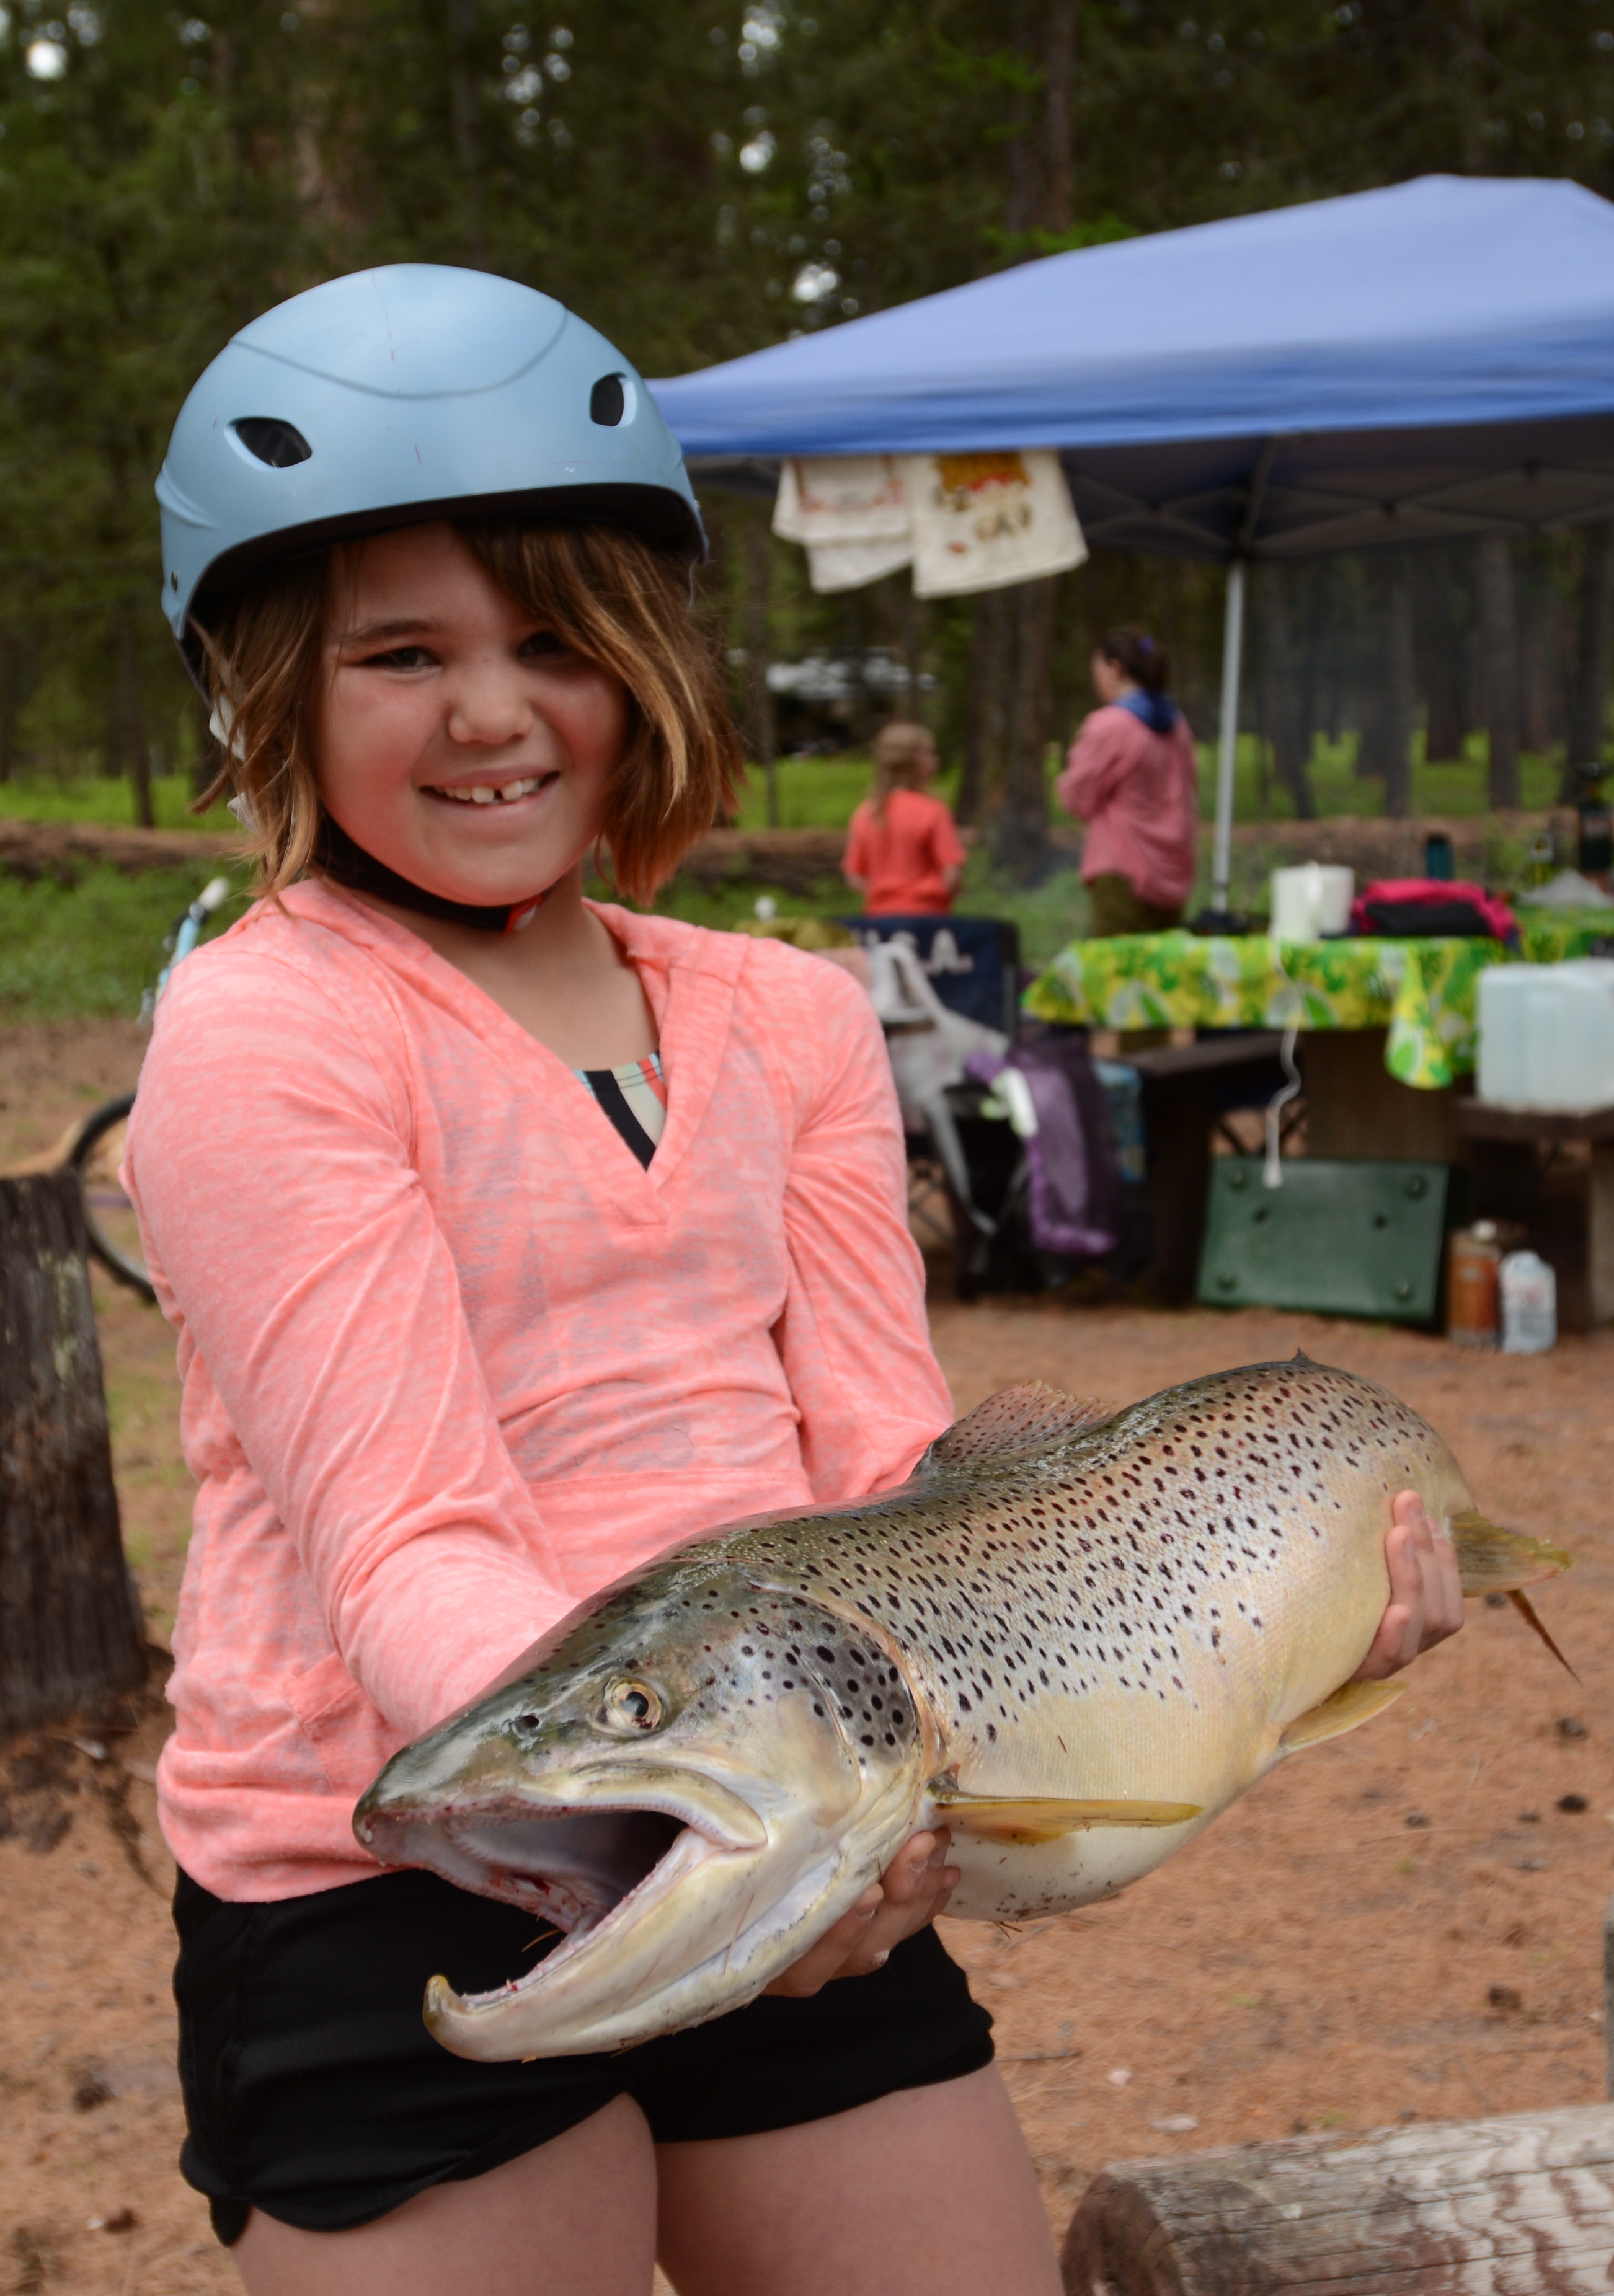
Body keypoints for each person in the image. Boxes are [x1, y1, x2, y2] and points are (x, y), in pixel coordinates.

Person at [125, 268, 1463, 2296]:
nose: (489, 711)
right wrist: (700, 1785)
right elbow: (408, 1539)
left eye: (554, 640)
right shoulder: (269, 1030)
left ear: (648, 660)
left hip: (807, 1824)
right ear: (268, 687)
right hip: (397, 1861)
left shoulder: (790, 1015)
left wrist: (1274, 1646)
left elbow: (895, 1487)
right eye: (401, 652)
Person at [1057, 625, 1199, 937]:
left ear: (1114, 668)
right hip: (1173, 872)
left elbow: (1077, 800)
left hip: (1125, 872)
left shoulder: (1109, 726)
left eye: (1096, 671)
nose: (1095, 681)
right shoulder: (1178, 726)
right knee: (1162, 966)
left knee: (1118, 966)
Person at [842, 719, 965, 914]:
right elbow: (952, 872)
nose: (936, 760)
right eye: (930, 753)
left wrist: (885, 896)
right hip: (927, 916)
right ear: (912, 763)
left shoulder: (867, 813)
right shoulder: (933, 810)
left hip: (879, 919)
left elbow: (854, 876)